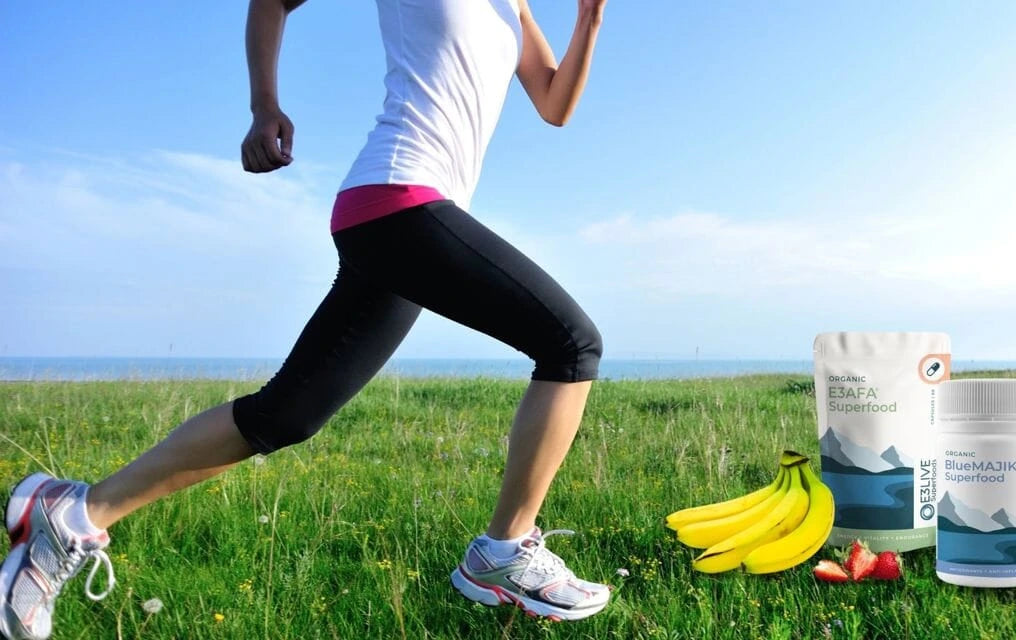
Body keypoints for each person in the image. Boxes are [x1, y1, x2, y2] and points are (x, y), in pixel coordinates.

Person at [0, 0, 611, 636]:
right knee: (570, 342)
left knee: (285, 415)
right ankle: (502, 552)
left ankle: (70, 512)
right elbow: (271, 3)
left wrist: (589, 18)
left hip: (407, 217)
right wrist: (265, 106)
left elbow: (554, 103)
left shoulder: (514, 6)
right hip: (398, 197)